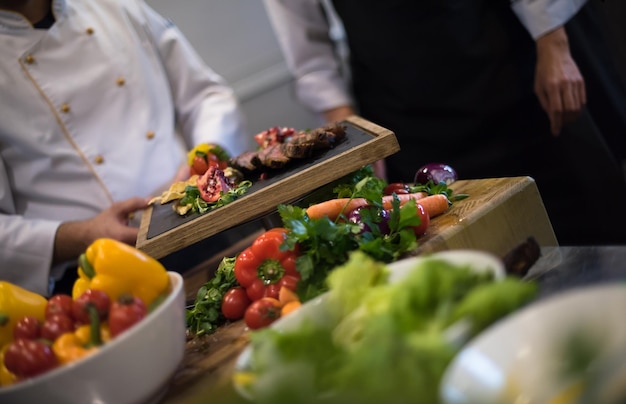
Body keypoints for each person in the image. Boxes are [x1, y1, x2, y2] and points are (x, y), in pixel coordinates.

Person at [262, 0, 626, 246]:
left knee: (581, 228)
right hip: (405, 114)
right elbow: (309, 49)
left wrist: (553, 42)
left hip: (513, 69)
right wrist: (347, 131)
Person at [0, 0, 251, 295]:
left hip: (201, 230)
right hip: (96, 280)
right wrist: (81, 236)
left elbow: (206, 96)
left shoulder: (113, 5)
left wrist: (203, 164)